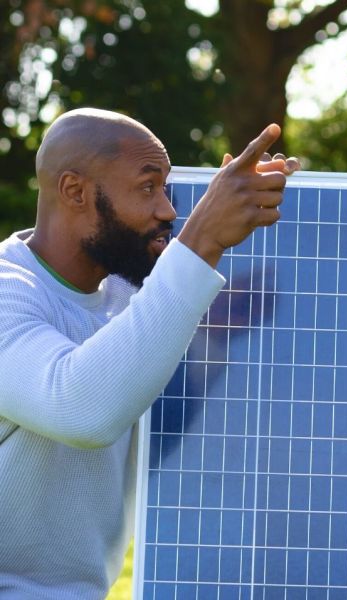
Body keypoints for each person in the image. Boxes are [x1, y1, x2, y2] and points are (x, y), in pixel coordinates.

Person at [0, 108, 299, 598]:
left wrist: (216, 333)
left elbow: (147, 419)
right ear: (74, 191)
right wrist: (201, 240)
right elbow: (81, 408)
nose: (168, 211)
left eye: (167, 189)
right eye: (147, 187)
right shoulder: (9, 291)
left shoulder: (122, 291)